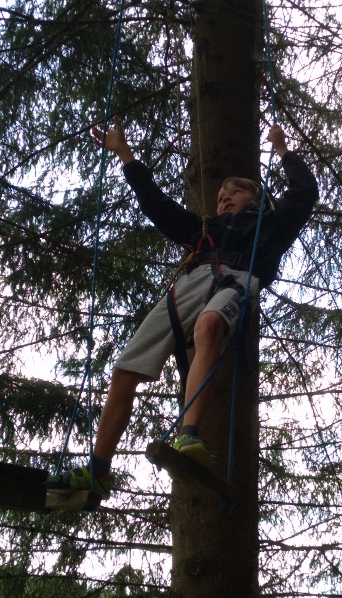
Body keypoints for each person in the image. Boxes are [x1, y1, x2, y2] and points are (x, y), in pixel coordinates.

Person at [47, 116, 318, 498]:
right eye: (220, 195)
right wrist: (124, 154)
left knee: (209, 326)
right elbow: (157, 204)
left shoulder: (273, 225)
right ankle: (98, 471)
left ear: (255, 200)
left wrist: (282, 149)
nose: (224, 198)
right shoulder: (203, 230)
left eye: (235, 192)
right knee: (125, 370)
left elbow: (305, 193)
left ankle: (188, 434)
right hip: (189, 285)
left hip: (237, 280)